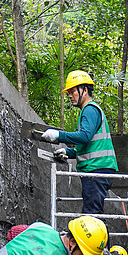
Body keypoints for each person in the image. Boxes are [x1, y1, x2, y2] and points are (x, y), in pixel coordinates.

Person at [40, 71, 119, 214]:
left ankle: (99, 236)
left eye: (72, 91)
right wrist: (68, 152)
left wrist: (58, 135)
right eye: (68, 92)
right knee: (92, 211)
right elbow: (85, 146)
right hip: (97, 168)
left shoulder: (90, 110)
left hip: (96, 168)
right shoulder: (89, 111)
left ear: (85, 90)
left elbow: (84, 136)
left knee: (92, 214)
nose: (70, 95)